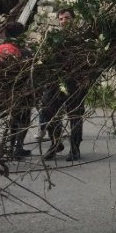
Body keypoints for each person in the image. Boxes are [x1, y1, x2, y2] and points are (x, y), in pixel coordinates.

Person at [42, 8, 85, 161]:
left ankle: (75, 149)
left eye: (67, 18)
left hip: (75, 81)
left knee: (75, 115)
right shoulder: (53, 37)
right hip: (55, 81)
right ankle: (55, 143)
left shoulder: (82, 38)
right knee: (48, 111)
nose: (64, 21)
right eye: (61, 19)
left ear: (74, 19)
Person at [0, 21, 33, 159]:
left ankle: (11, 148)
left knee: (13, 120)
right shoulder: (23, 51)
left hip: (6, 89)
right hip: (23, 90)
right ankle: (18, 147)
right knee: (24, 120)